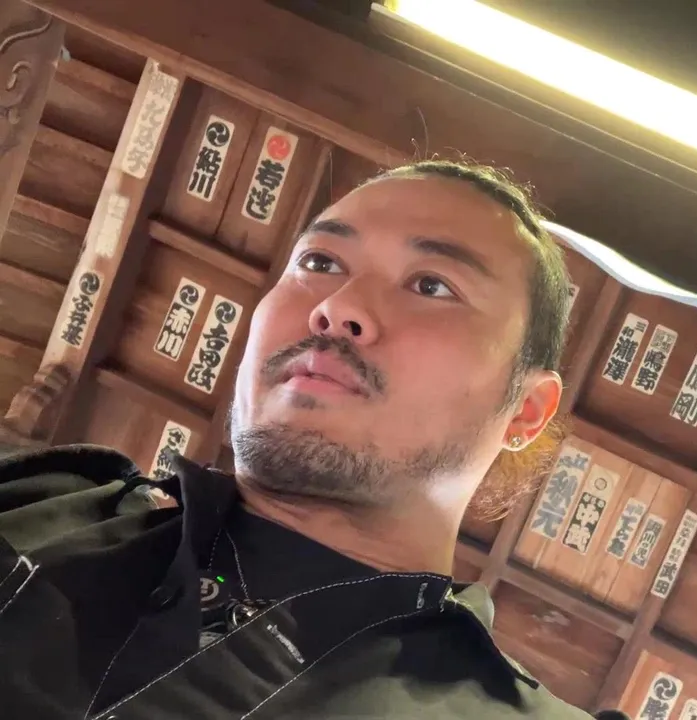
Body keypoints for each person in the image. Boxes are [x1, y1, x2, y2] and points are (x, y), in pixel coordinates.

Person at [0, 160, 629, 719]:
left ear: (524, 411)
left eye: (431, 285)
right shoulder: (40, 501)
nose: (337, 306)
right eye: (320, 263)